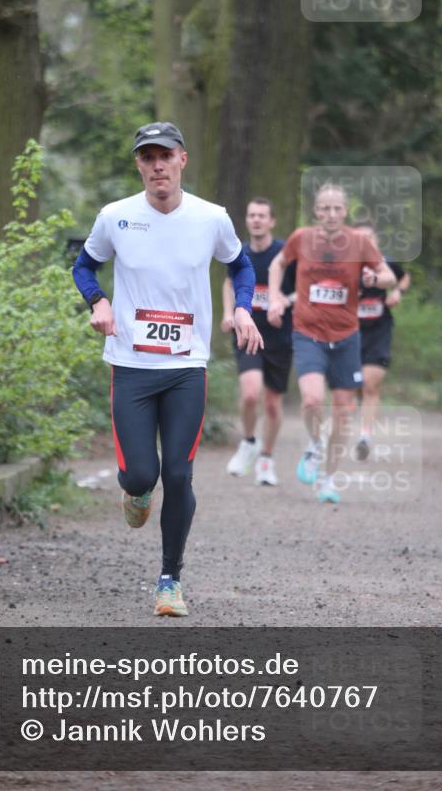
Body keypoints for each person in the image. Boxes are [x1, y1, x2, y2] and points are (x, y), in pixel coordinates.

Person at [73, 122, 262, 616]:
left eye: (165, 155)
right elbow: (82, 266)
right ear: (138, 164)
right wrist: (98, 303)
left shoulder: (211, 217)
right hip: (131, 365)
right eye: (147, 157)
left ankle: (169, 579)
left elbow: (241, 266)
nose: (157, 165)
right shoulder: (115, 217)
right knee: (141, 473)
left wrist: (243, 307)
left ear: (183, 160)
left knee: (178, 475)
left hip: (186, 367)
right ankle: (134, 492)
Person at [267, 184, 396, 504]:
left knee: (342, 411)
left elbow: (389, 276)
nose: (331, 214)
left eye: (337, 209)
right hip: (308, 332)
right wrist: (274, 296)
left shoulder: (359, 242)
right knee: (311, 400)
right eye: (325, 208)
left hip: (346, 337)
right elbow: (277, 264)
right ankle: (314, 445)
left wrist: (375, 280)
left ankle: (328, 478)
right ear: (316, 211)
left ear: (345, 211)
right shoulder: (302, 238)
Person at [221, 197, 296, 485]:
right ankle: (248, 441)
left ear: (272, 221)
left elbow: (304, 290)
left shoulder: (285, 252)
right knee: (251, 393)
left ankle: (266, 457)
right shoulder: (240, 252)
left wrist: (282, 302)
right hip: (247, 333)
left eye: (262, 215)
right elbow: (229, 282)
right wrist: (229, 313)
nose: (256, 220)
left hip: (279, 336)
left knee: (274, 405)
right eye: (252, 215)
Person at [353, 221, 411, 459]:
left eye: (369, 239)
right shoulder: (343, 269)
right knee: (357, 386)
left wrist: (398, 291)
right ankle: (364, 413)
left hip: (378, 331)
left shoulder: (385, 265)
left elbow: (404, 277)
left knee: (370, 384)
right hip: (350, 334)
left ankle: (365, 436)